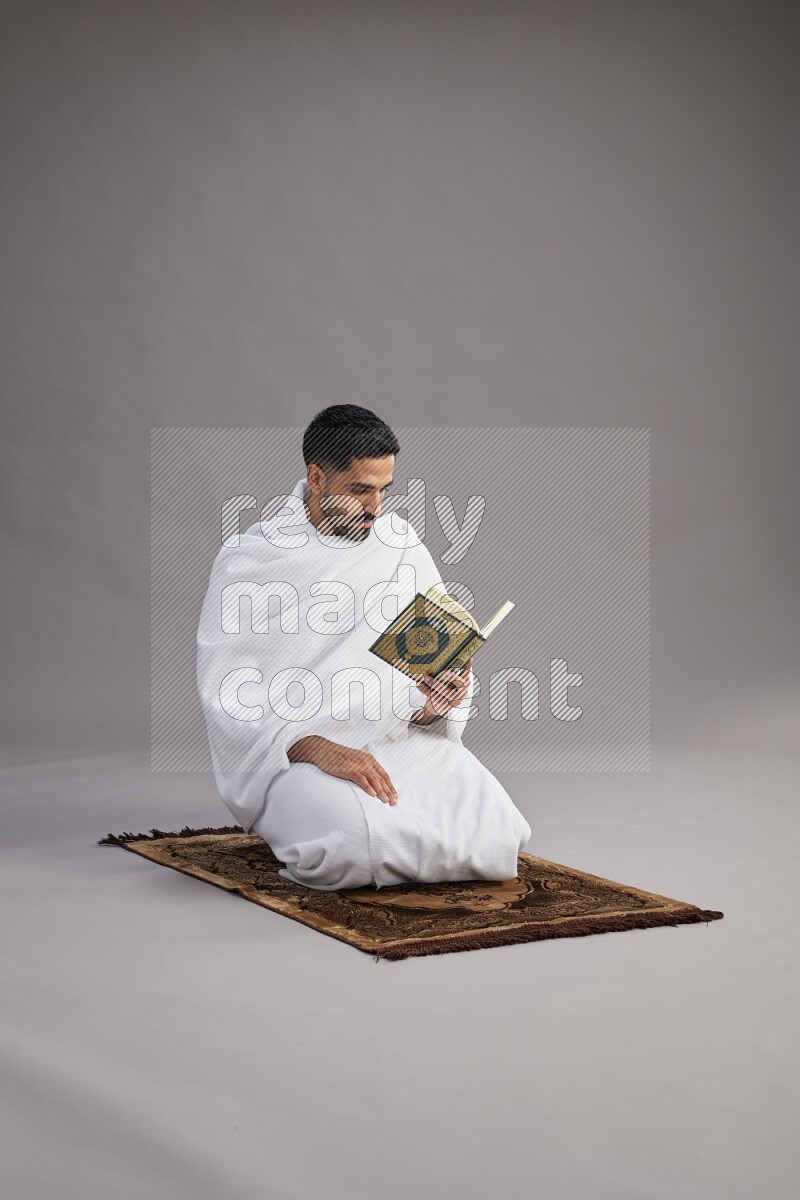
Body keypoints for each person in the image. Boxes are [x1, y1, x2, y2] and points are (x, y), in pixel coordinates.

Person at [196, 404, 532, 890]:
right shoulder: (250, 561)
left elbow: (429, 660)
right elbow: (225, 690)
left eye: (383, 490)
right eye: (360, 490)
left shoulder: (400, 545)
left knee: (501, 833)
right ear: (316, 477)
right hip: (291, 753)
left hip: (394, 737)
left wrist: (436, 703)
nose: (376, 507)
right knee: (351, 848)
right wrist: (311, 744)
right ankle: (326, 812)